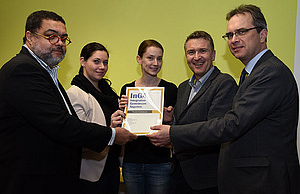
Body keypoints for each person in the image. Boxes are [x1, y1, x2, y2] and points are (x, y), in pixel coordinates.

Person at [147, 4, 300, 194]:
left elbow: (232, 124)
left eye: (242, 32)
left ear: (262, 35)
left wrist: (173, 134)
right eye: (230, 35)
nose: (234, 40)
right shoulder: (251, 73)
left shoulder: (270, 73)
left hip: (264, 181)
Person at [0, 10, 136, 194]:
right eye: (51, 36)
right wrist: (112, 135)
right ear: (29, 37)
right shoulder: (23, 69)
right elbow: (61, 124)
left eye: (64, 38)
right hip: (32, 180)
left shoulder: (45, 72)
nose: (60, 43)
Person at [167, 31, 237, 194]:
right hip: (179, 174)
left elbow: (215, 130)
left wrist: (171, 133)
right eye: (191, 52)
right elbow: (184, 123)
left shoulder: (224, 83)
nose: (196, 57)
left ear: (213, 55)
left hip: (206, 179)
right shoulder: (183, 87)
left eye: (203, 51)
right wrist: (171, 120)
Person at [119, 39, 177, 194]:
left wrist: (170, 119)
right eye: (150, 58)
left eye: (159, 58)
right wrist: (122, 113)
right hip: (132, 162)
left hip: (160, 162)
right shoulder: (127, 89)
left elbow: (176, 129)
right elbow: (122, 127)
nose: (156, 63)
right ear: (139, 59)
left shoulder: (170, 89)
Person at [67, 42, 122, 194]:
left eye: (105, 62)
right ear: (83, 61)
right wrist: (110, 129)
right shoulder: (74, 94)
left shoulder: (109, 93)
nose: (102, 67)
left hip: (112, 165)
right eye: (96, 61)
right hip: (89, 172)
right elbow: (79, 137)